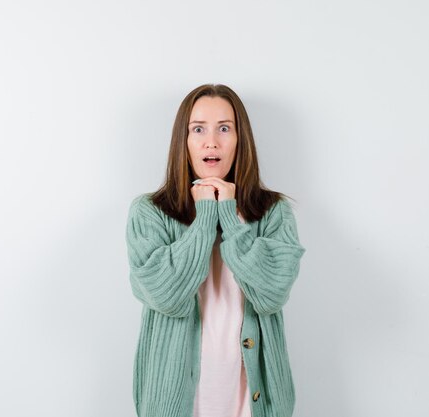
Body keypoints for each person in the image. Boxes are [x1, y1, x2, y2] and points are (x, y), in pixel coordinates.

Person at [125, 84, 306, 417]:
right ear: (184, 141)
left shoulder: (273, 212)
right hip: (173, 403)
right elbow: (167, 296)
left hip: (253, 404)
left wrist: (230, 217)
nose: (212, 141)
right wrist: (206, 216)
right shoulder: (149, 212)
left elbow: (272, 293)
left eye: (225, 128)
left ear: (240, 140)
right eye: (198, 129)